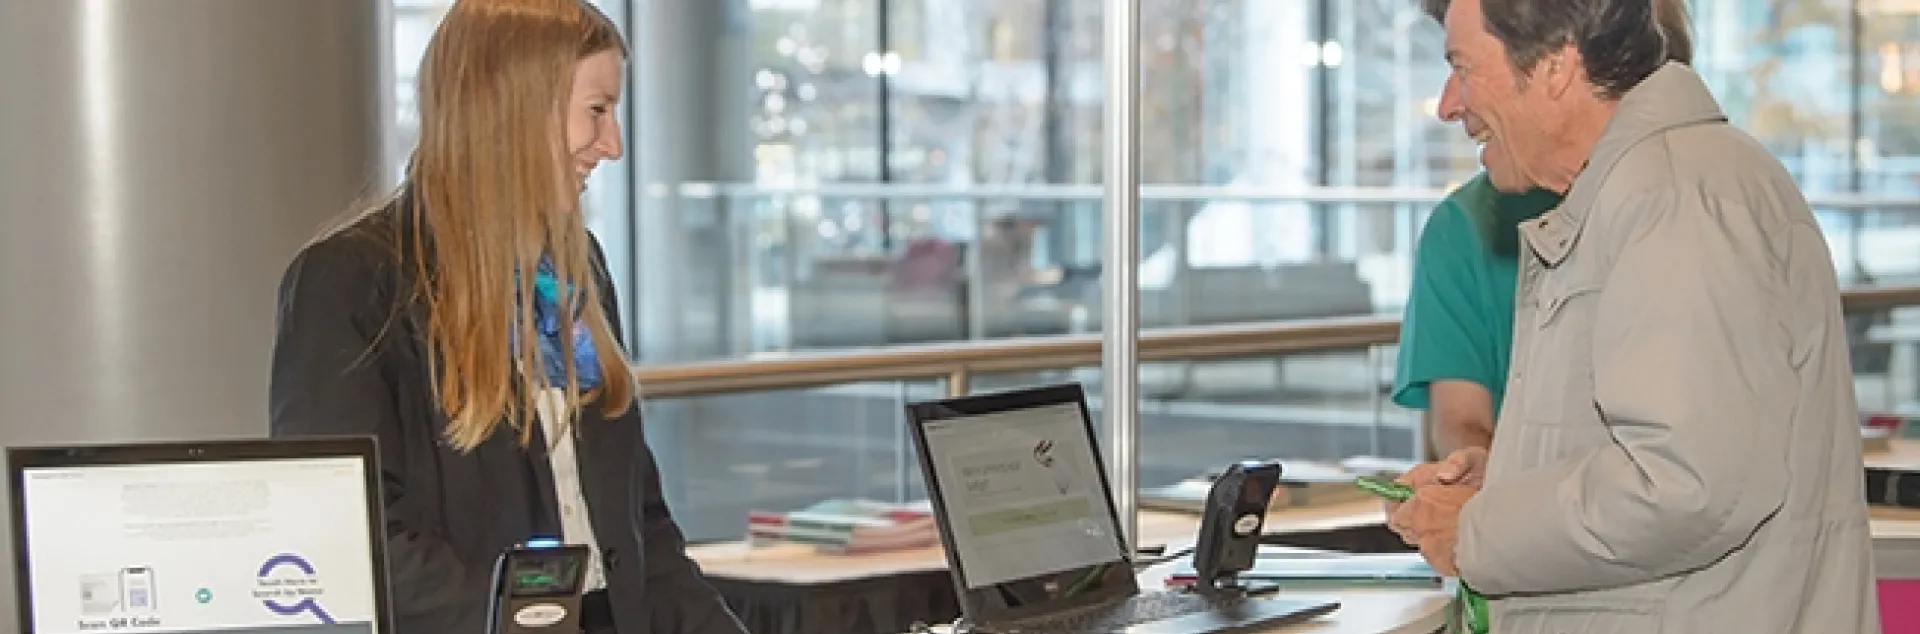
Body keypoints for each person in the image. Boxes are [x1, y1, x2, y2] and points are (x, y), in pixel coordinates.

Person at [1387, 0, 1880, 631]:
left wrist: (1480, 531)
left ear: (1556, 65)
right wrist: (1509, 483)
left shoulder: (1675, 196)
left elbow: (1688, 486)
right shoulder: (1648, 189)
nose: (1448, 104)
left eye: (1461, 66)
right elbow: (1669, 450)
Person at [267, 1, 747, 633]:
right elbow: (350, 531)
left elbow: (641, 525)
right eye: (597, 111)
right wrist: (524, 620)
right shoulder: (351, 280)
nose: (614, 145)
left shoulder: (580, 270)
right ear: (516, 110)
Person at [1392, 0, 1694, 458]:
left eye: (1466, 68)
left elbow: (1679, 473)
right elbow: (1460, 422)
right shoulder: (1467, 225)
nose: (1448, 106)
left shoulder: (1682, 206)